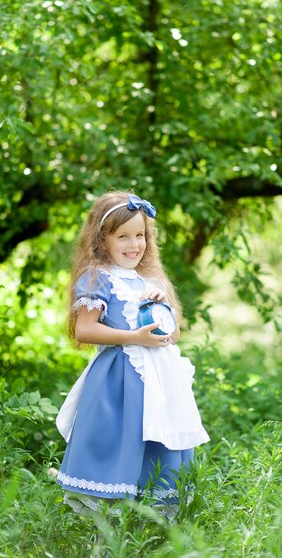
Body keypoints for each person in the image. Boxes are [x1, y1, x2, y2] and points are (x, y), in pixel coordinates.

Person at [56, 191, 209, 514]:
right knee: (124, 444)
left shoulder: (149, 279)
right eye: (122, 236)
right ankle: (109, 534)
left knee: (158, 445)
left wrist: (162, 304)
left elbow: (173, 334)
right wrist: (134, 336)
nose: (133, 244)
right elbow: (85, 329)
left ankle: (154, 531)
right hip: (121, 380)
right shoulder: (97, 277)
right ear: (102, 240)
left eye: (139, 235)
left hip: (160, 379)